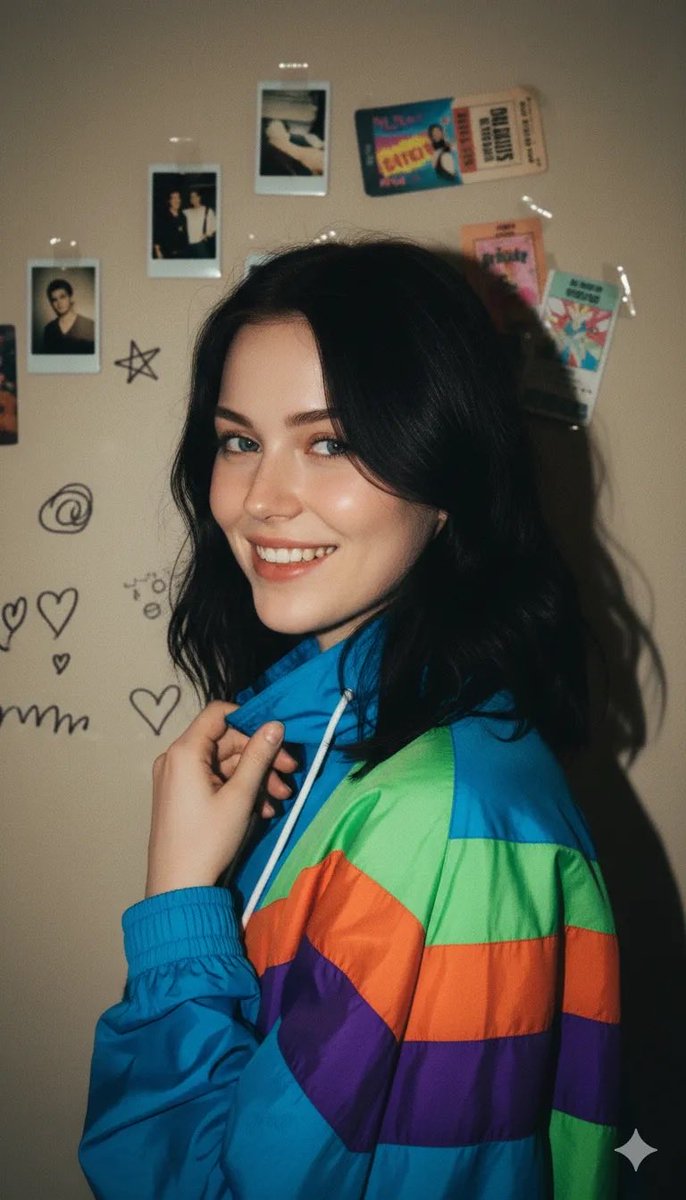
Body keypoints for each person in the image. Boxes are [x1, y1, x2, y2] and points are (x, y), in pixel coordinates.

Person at [79, 241, 620, 1198]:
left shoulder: (433, 821)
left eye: (329, 442)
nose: (260, 500)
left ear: (445, 476)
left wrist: (178, 901)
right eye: (239, 441)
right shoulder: (339, 731)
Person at [42, 278, 95, 354]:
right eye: (54, 300)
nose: (59, 303)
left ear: (71, 298)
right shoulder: (49, 329)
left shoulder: (89, 325)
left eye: (62, 297)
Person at [153, 188, 189, 259]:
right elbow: (157, 234)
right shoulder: (162, 216)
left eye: (178, 198)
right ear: (169, 201)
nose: (177, 200)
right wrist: (158, 251)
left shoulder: (183, 216)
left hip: (182, 254)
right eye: (174, 198)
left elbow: (185, 235)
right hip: (168, 254)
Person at [183, 188, 217, 258]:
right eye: (191, 197)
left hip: (202, 244)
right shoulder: (186, 212)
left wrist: (207, 234)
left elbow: (214, 227)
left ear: (199, 197)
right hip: (189, 245)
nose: (193, 199)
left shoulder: (208, 210)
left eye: (195, 196)